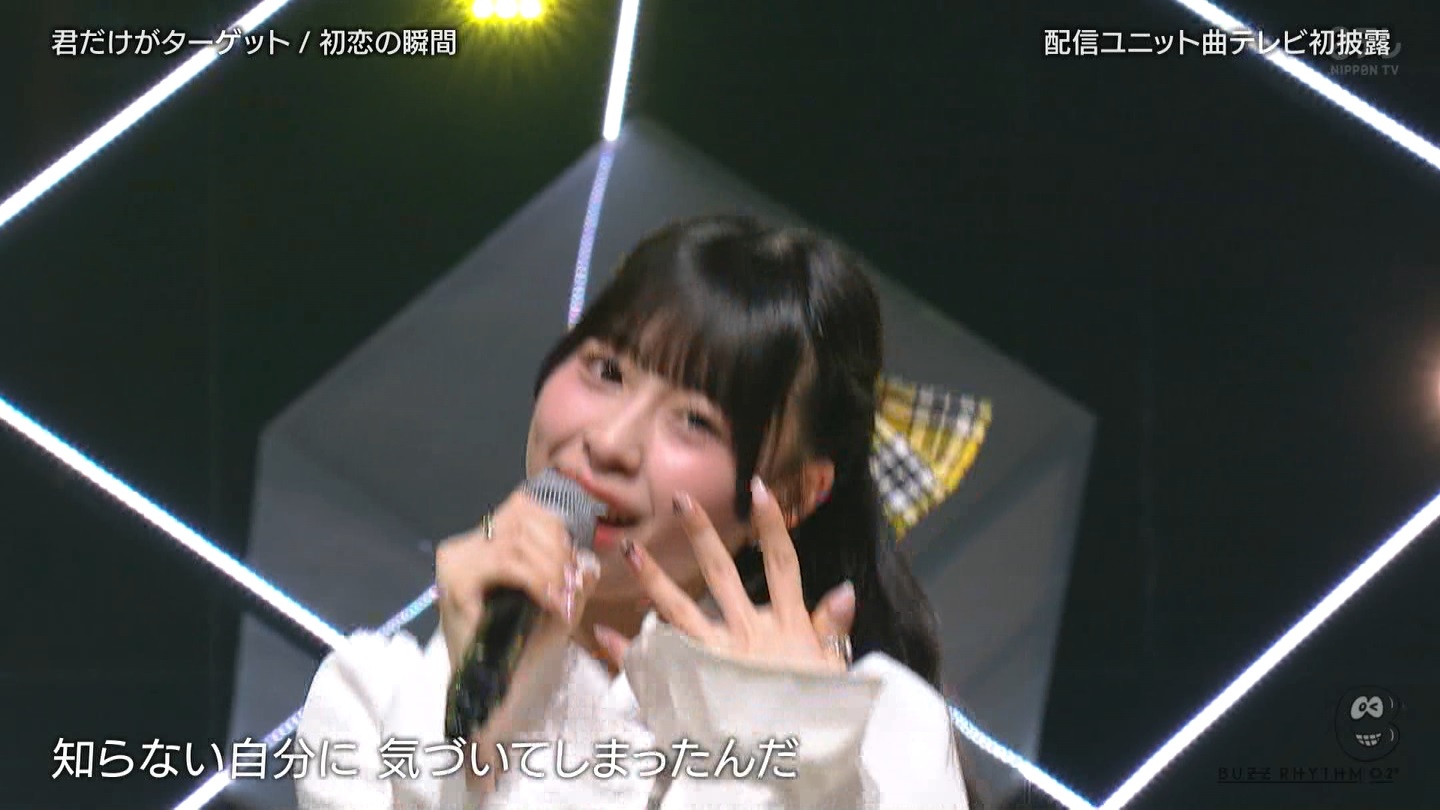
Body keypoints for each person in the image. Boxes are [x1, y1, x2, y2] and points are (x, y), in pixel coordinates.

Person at [294, 214, 978, 809]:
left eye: (695, 420)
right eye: (607, 371)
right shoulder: (370, 699)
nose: (609, 442)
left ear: (795, 493)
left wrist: (776, 754)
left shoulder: (882, 730)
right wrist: (470, 741)